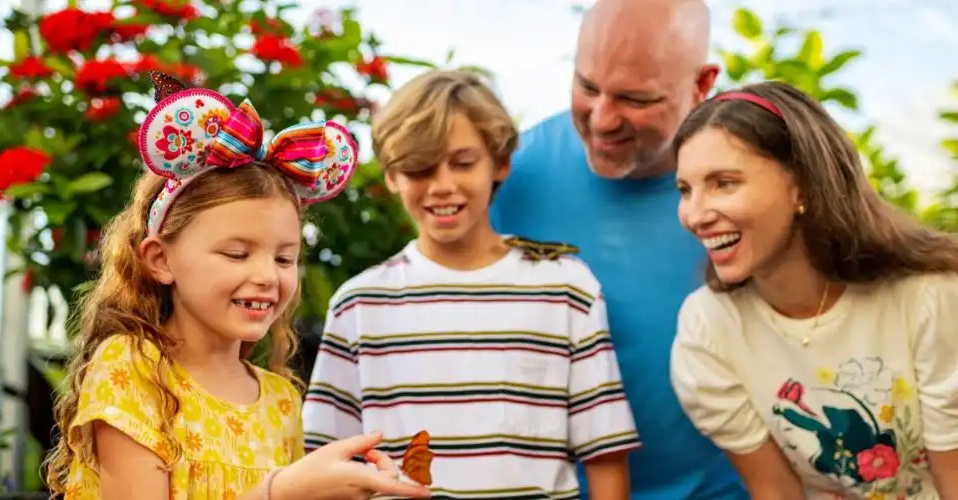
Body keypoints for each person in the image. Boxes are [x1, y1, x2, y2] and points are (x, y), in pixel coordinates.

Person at [43, 72, 431, 500]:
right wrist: (280, 492)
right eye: (236, 254)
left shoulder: (281, 400)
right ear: (161, 259)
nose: (268, 275)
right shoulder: (133, 370)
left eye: (284, 258)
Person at [302, 69, 640, 499]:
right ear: (391, 175)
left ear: (499, 162)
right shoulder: (359, 306)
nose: (442, 186)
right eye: (419, 169)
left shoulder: (567, 289)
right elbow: (325, 463)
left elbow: (606, 455)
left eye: (463, 163)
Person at [490, 0, 747, 498]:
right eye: (587, 87)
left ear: (702, 83)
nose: (603, 120)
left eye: (635, 98)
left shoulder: (754, 182)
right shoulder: (513, 175)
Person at [670, 81, 958, 498]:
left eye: (724, 183)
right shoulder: (708, 329)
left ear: (802, 184)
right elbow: (775, 491)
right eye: (685, 190)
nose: (695, 215)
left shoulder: (930, 298)